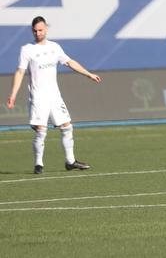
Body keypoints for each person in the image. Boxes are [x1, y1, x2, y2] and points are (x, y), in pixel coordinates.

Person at [6, 16, 100, 174]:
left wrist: (88, 74)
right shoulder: (27, 49)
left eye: (40, 30)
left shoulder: (55, 47)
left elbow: (70, 62)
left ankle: (70, 161)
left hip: (55, 96)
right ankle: (38, 164)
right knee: (41, 130)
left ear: (46, 29)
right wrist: (13, 94)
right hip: (38, 97)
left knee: (67, 127)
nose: (38, 33)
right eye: (35, 31)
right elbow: (20, 72)